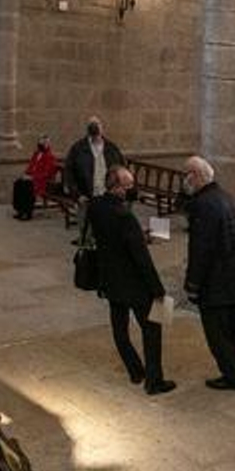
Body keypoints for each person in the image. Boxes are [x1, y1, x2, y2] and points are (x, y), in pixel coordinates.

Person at [87, 166, 174, 395]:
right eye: (129, 186)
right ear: (117, 187)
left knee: (120, 329)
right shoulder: (124, 215)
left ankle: (135, 370)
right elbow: (141, 258)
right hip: (135, 284)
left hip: (110, 279)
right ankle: (154, 381)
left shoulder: (95, 206)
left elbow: (110, 237)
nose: (132, 190)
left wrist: (139, 234)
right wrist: (158, 289)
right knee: (152, 329)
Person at [183, 156, 235, 391]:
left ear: (196, 175)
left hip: (215, 282)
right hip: (234, 277)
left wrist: (193, 284)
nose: (184, 180)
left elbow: (200, 249)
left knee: (217, 335)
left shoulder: (203, 204)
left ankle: (232, 377)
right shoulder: (225, 197)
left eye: (187, 174)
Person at [66, 117, 126, 202]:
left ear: (102, 128)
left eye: (97, 124)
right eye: (92, 125)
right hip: (87, 197)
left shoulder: (111, 148)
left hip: (109, 196)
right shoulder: (78, 149)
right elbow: (69, 173)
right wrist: (77, 195)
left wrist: (119, 190)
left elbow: (121, 169)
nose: (95, 128)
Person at [16, 135, 60, 219]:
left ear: (47, 144)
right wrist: (26, 174)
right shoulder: (36, 154)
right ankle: (20, 210)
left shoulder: (50, 156)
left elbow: (46, 173)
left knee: (27, 186)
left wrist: (32, 177)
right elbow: (31, 166)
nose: (41, 144)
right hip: (33, 178)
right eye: (41, 142)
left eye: (44, 143)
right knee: (18, 183)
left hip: (42, 181)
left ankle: (27, 212)